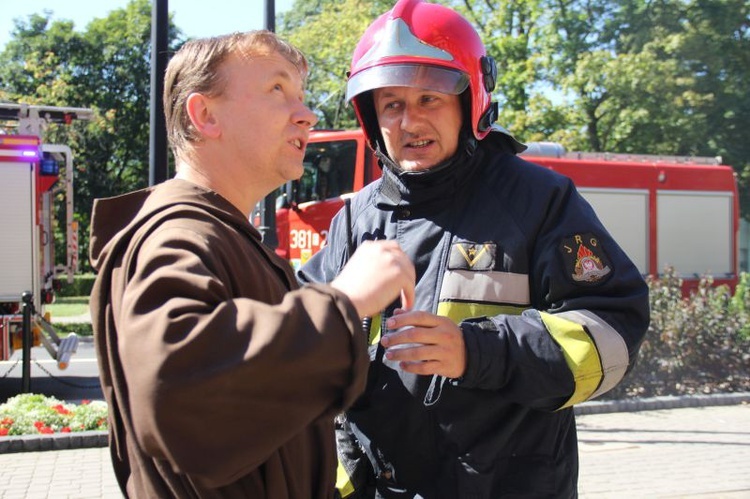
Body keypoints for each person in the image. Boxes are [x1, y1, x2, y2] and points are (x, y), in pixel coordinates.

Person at [297, 0, 650, 497]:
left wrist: (474, 351)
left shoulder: (539, 200)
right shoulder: (356, 218)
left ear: (471, 103)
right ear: (371, 116)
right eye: (392, 104)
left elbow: (614, 328)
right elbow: (300, 335)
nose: (409, 122)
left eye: (430, 100)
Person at [88, 31, 415, 498]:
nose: (307, 114)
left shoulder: (220, 235)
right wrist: (344, 301)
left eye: (301, 96)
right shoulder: (179, 236)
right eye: (277, 90)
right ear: (205, 115)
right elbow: (182, 399)